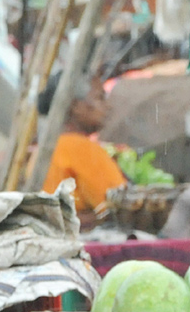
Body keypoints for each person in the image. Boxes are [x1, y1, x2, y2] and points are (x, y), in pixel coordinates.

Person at [38, 70, 127, 229]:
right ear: (76, 107)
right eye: (100, 98)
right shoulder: (79, 147)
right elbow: (121, 207)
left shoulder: (49, 147)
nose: (107, 106)